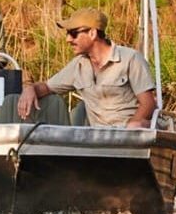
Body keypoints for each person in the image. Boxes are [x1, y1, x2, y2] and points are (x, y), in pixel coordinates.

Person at [16, 7, 157, 128]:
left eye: (73, 33)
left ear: (92, 33)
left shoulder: (130, 59)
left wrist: (131, 128)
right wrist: (30, 89)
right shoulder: (78, 65)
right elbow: (47, 87)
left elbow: (148, 103)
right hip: (97, 142)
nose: (68, 39)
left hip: (131, 140)